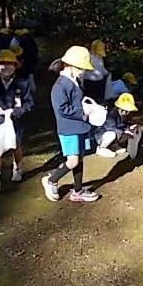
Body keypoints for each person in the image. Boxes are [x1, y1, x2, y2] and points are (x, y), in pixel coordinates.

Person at [41, 46, 100, 203]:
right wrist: (84, 111)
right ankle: (51, 180)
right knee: (72, 160)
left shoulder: (75, 81)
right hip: (68, 129)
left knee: (79, 158)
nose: (83, 71)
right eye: (81, 68)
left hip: (80, 126)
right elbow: (62, 109)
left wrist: (92, 109)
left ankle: (78, 190)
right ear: (70, 65)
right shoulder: (60, 85)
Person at [0, 49, 34, 191]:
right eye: (3, 64)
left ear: (15, 66)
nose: (6, 67)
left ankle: (17, 168)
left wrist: (16, 111)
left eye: (10, 64)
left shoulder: (23, 83)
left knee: (16, 145)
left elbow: (29, 103)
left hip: (16, 120)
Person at [94, 93, 139, 157]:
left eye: (128, 111)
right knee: (112, 134)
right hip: (102, 135)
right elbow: (111, 128)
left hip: (114, 133)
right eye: (123, 110)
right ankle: (101, 148)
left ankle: (113, 146)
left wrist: (129, 127)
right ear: (118, 108)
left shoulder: (123, 115)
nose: (125, 113)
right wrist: (124, 131)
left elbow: (122, 125)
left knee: (127, 132)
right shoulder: (110, 114)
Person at [83, 39, 109, 104]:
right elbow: (84, 70)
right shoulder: (88, 57)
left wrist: (107, 73)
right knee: (90, 101)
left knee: (99, 101)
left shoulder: (100, 57)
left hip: (100, 83)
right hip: (89, 83)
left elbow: (101, 68)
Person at [14, 28, 39, 93]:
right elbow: (36, 51)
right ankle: (32, 89)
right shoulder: (32, 42)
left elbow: (20, 52)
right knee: (31, 75)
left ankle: (28, 89)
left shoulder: (22, 41)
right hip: (32, 62)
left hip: (25, 62)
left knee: (25, 77)